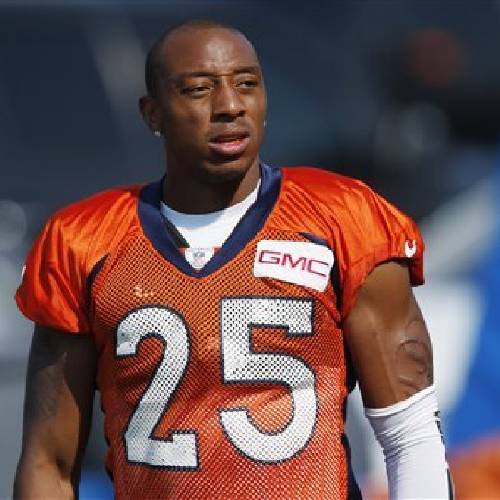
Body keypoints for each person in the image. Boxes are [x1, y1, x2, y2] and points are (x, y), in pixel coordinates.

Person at [13, 19, 452, 499]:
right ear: (152, 112)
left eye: (247, 84)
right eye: (199, 90)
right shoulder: (83, 240)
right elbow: (48, 461)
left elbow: (409, 434)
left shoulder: (343, 219)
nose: (229, 106)